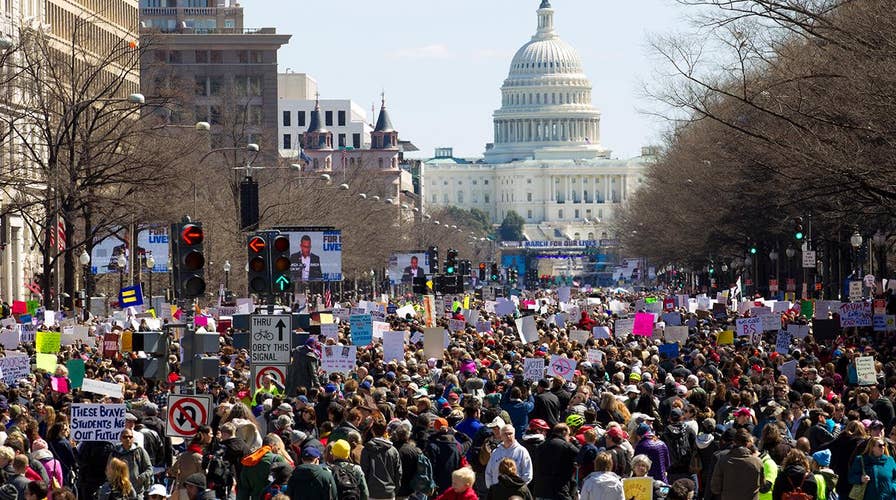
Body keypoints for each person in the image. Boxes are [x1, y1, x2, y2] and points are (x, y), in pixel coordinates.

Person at [709, 429, 763, 500]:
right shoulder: (757, 462)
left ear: (734, 442)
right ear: (748, 443)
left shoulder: (723, 461)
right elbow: (763, 486)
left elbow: (715, 488)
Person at [531, 423, 579, 500]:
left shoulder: (540, 446)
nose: (569, 437)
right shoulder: (566, 446)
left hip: (540, 491)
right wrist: (576, 443)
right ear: (564, 433)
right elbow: (580, 455)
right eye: (568, 435)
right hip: (559, 492)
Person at [360, 418, 402, 500]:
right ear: (385, 431)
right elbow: (398, 473)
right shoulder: (393, 450)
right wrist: (394, 490)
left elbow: (364, 471)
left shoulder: (367, 450)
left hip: (372, 493)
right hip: (389, 493)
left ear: (372, 431)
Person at [238, 435, 287, 500]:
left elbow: (243, 490)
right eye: (278, 448)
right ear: (273, 445)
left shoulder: (249, 460)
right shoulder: (277, 459)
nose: (278, 450)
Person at [108, 430, 153, 499]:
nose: (128, 439)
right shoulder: (115, 452)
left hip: (137, 491)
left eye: (130, 437)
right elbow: (108, 469)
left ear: (133, 438)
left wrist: (142, 477)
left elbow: (149, 469)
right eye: (125, 437)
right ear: (120, 439)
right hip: (120, 492)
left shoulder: (139, 451)